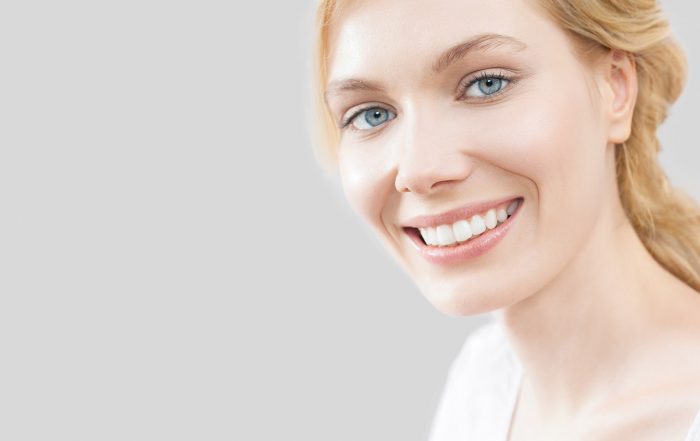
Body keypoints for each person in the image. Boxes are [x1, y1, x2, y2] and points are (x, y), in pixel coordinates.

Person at [309, 0, 700, 439]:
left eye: (486, 84)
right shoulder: (482, 386)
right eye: (371, 114)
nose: (418, 169)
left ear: (615, 88)